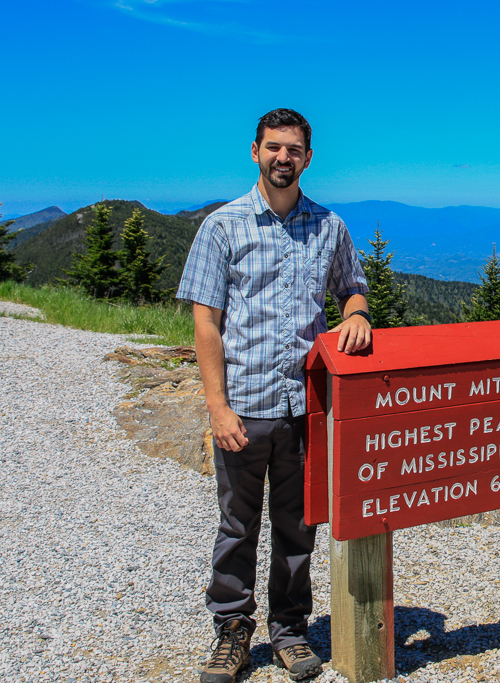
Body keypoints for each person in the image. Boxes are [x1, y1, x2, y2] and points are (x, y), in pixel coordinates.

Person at [177, 108, 372, 683]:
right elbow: (205, 322)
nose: (282, 158)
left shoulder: (330, 226)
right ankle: (232, 632)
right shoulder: (222, 226)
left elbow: (352, 289)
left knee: (297, 527)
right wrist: (216, 405)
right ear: (255, 152)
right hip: (243, 405)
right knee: (237, 524)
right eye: (273, 148)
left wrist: (356, 317)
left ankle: (289, 631)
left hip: (304, 410)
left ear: (308, 159)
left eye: (293, 150)